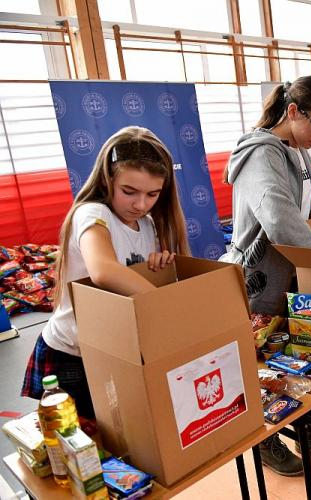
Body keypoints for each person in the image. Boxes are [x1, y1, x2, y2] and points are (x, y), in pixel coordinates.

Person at [21, 126, 189, 429]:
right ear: (107, 180)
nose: (140, 204)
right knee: (86, 449)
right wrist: (165, 303)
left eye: (152, 194)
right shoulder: (93, 215)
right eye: (129, 191)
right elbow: (103, 271)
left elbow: (129, 274)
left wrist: (156, 266)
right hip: (71, 354)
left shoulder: (148, 224)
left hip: (113, 348)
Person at [220, 75, 311, 476]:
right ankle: (266, 437)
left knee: (308, 361)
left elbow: (295, 203)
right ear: (292, 112)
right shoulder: (261, 153)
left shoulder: (298, 150)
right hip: (262, 280)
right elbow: (277, 218)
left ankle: (306, 426)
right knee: (264, 366)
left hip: (295, 274)